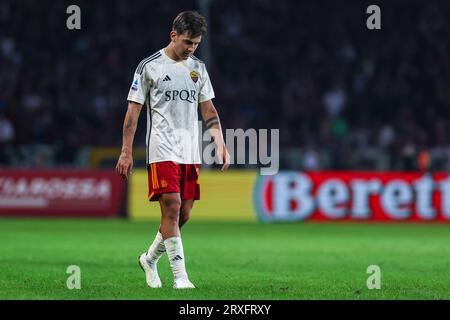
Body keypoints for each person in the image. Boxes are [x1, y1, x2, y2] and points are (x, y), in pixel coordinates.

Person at [115, 10, 230, 289]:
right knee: (172, 208)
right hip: (162, 147)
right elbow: (133, 112)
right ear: (173, 35)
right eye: (187, 42)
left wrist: (219, 141)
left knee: (184, 214)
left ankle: (149, 259)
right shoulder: (149, 66)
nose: (191, 48)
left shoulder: (198, 68)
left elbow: (208, 108)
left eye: (196, 44)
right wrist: (126, 151)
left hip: (189, 149)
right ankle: (181, 277)